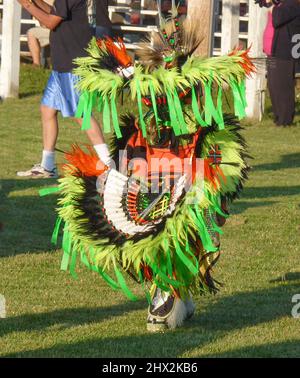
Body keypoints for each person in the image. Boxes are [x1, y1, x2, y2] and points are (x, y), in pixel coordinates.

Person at [17, 0, 111, 178]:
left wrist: (27, 5)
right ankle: (48, 165)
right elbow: (55, 12)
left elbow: (51, 22)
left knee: (80, 114)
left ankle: (108, 164)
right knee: (47, 110)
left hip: (72, 62)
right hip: (62, 62)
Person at [266, 0, 300, 126]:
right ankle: (278, 117)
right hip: (273, 52)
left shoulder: (293, 5)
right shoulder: (283, 5)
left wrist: (272, 6)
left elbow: (277, 19)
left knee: (283, 88)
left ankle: (285, 120)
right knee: (273, 86)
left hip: (285, 54)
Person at [26, 0, 54, 67]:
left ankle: (39, 64)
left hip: (62, 28)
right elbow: (42, 23)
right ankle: (36, 64)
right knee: (31, 33)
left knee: (32, 33)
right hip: (48, 29)